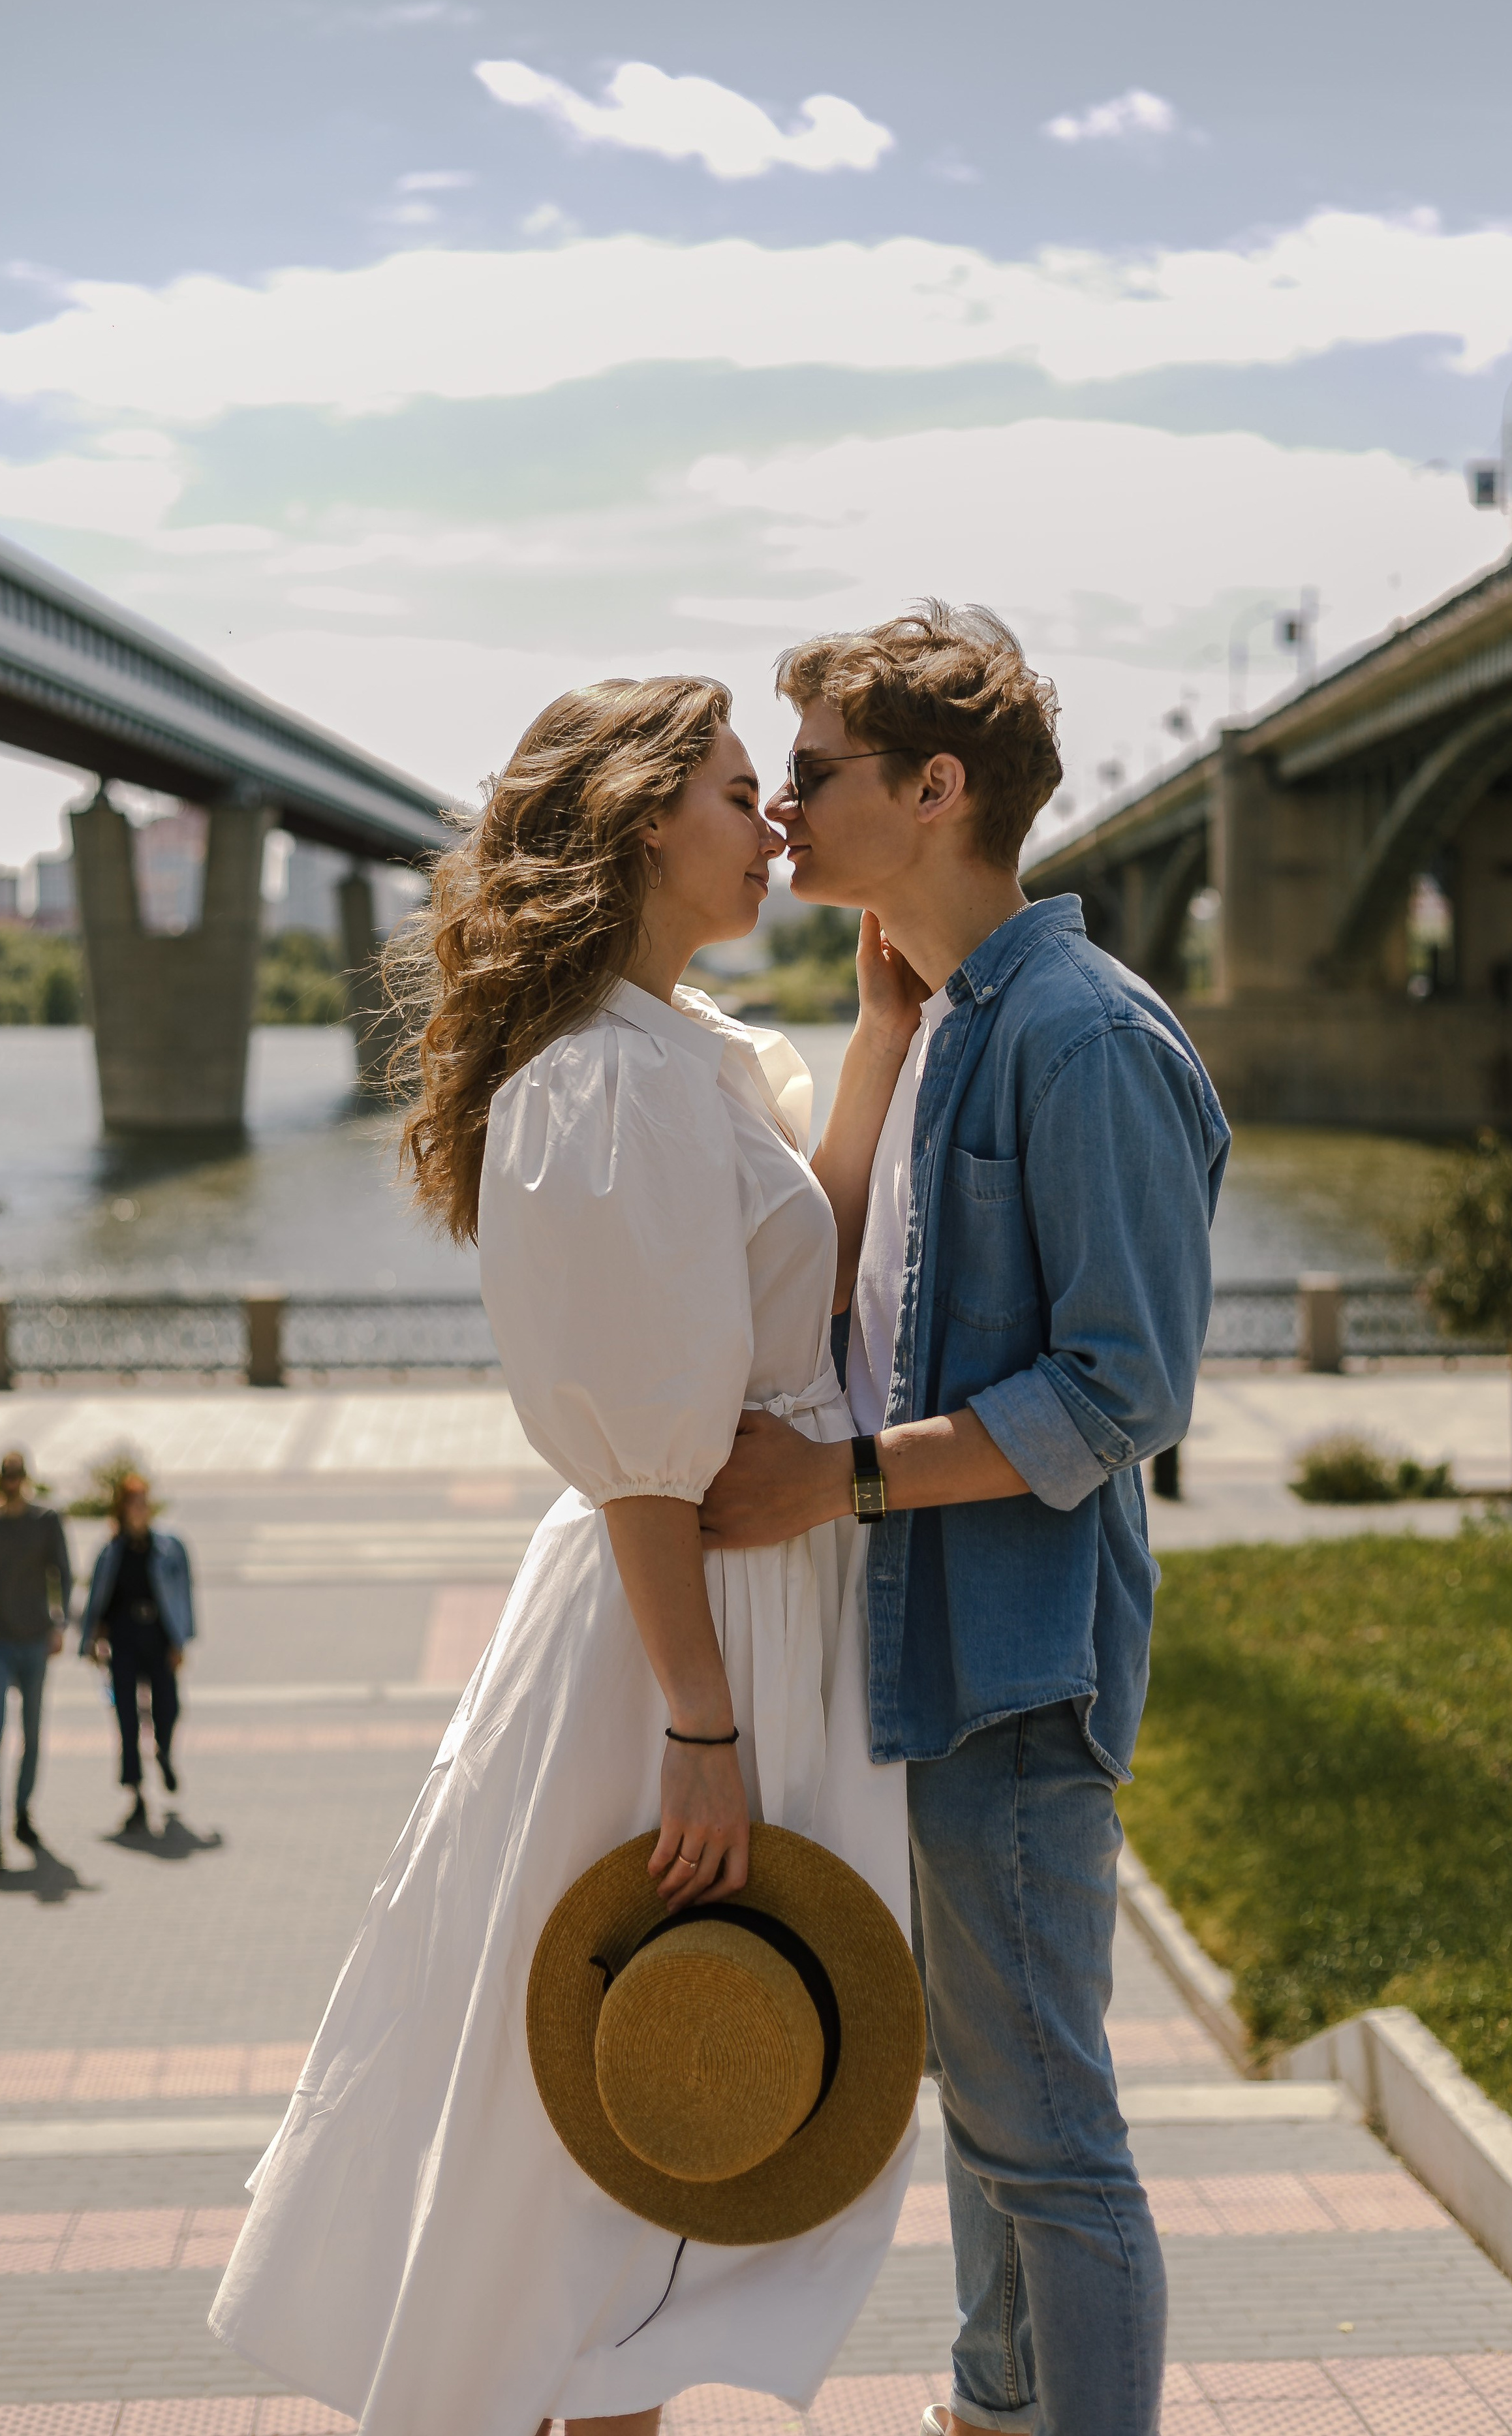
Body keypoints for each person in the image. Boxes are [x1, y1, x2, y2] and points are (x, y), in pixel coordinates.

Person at [211, 677, 914, 2436]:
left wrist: (877, 1038)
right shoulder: (599, 1081)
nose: (773, 826)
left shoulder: (677, 1052)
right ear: (635, 821)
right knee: (608, 2121)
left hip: (734, 1609)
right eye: (744, 792)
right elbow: (637, 1439)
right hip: (672, 1630)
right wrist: (698, 1715)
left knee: (671, 2109)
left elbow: (792, 1286)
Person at [700, 603, 1230, 2436]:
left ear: (935, 792)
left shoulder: (1082, 1040)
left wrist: (836, 1481)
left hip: (1011, 1662)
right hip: (923, 1648)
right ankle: (991, 2408)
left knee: (1051, 2134)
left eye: (816, 774)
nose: (777, 809)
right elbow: (855, 1298)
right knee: (990, 2110)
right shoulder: (936, 1021)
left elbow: (1123, 1389)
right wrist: (869, 1045)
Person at [0, 1449, 72, 1862]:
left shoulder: (45, 1521)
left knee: (32, 1733)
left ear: (26, 1479)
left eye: (17, 1477)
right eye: (6, 1477)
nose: (12, 1484)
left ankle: (23, 1811)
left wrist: (59, 1624)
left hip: (33, 1640)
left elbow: (62, 1572)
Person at [79, 1472, 194, 1832]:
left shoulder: (169, 1546)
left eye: (144, 1502)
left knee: (168, 1707)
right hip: (125, 1641)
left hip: (158, 1637)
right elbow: (98, 1601)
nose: (139, 1510)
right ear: (123, 1508)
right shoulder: (112, 1551)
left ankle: (163, 1752)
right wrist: (93, 1641)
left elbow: (183, 1595)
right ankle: (136, 1795)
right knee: (127, 1718)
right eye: (133, 1503)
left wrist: (181, 1641)